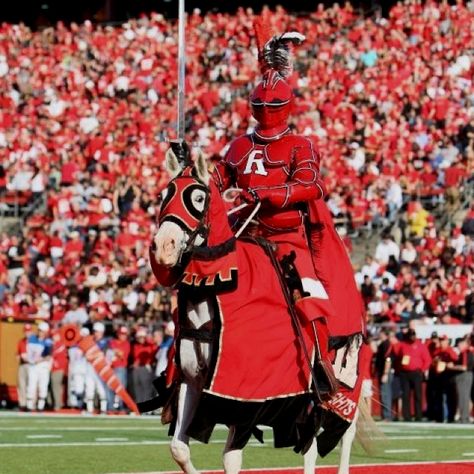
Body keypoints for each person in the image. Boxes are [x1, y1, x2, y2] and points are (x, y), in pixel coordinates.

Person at [174, 24, 365, 395]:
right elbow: (216, 181)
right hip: (247, 234)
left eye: (272, 105)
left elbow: (313, 186)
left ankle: (322, 370)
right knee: (195, 278)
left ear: (286, 106)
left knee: (309, 299)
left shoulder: (300, 145)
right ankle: (183, 370)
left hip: (289, 237)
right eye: (260, 105)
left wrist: (271, 192)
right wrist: (189, 173)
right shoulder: (238, 145)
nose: (265, 111)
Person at [394, 328, 431, 421]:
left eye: (413, 335)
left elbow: (428, 360)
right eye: (410, 335)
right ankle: (407, 416)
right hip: (404, 373)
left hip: (416, 373)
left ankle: (418, 415)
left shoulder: (421, 346)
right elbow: (397, 356)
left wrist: (422, 370)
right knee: (405, 395)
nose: (412, 337)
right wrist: (399, 368)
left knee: (418, 395)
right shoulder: (402, 345)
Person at [25, 321, 53, 411]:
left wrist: (40, 360)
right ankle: (29, 405)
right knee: (31, 385)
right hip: (33, 365)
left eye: (43, 331)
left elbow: (48, 356)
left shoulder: (48, 341)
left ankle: (41, 406)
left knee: (43, 385)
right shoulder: (32, 339)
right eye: (40, 330)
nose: (41, 333)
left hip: (43, 365)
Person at [431, 335, 458, 423]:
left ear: (447, 341)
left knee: (450, 397)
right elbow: (433, 361)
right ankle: (439, 417)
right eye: (441, 340)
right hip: (439, 376)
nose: (442, 342)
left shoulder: (450, 350)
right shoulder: (437, 351)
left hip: (448, 375)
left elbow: (455, 360)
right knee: (438, 397)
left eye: (443, 340)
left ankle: (451, 417)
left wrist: (448, 363)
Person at [84, 322, 109, 414]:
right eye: (95, 331)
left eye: (97, 332)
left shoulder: (105, 342)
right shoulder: (90, 341)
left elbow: (102, 354)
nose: (96, 334)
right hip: (90, 368)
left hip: (100, 368)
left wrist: (92, 355)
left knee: (101, 389)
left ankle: (103, 409)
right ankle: (89, 409)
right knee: (89, 389)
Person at [107, 326, 131, 411]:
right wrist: (116, 351)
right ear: (118, 334)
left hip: (120, 368)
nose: (123, 336)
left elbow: (122, 354)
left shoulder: (126, 344)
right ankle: (110, 406)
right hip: (111, 368)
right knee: (110, 387)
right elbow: (111, 351)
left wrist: (115, 351)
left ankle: (120, 406)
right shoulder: (112, 342)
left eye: (124, 334)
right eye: (121, 334)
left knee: (120, 388)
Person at [131, 327, 156, 403]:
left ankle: (146, 406)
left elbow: (154, 350)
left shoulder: (150, 345)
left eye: (142, 337)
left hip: (146, 367)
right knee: (137, 387)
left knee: (146, 387)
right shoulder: (135, 346)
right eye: (139, 337)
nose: (140, 339)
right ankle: (139, 405)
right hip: (136, 369)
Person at [375, 329, 396, 421]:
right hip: (383, 372)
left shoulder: (386, 344)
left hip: (385, 372)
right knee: (385, 393)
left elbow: (388, 359)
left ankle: (387, 416)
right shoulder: (383, 344)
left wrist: (385, 373)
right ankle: (385, 415)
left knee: (385, 394)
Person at [452, 337, 473, 424]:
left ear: (464, 344)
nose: (458, 346)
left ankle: (463, 417)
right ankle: (465, 417)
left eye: (460, 344)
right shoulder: (469, 352)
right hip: (469, 375)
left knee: (462, 397)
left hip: (464, 375)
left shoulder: (465, 352)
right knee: (465, 396)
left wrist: (452, 367)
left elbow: (464, 367)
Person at [16, 323, 33, 410]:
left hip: (32, 365)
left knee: (31, 385)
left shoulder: (34, 341)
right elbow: (18, 354)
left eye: (29, 331)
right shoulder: (21, 341)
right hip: (22, 365)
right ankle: (22, 403)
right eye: (26, 331)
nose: (27, 333)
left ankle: (30, 404)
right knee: (21, 384)